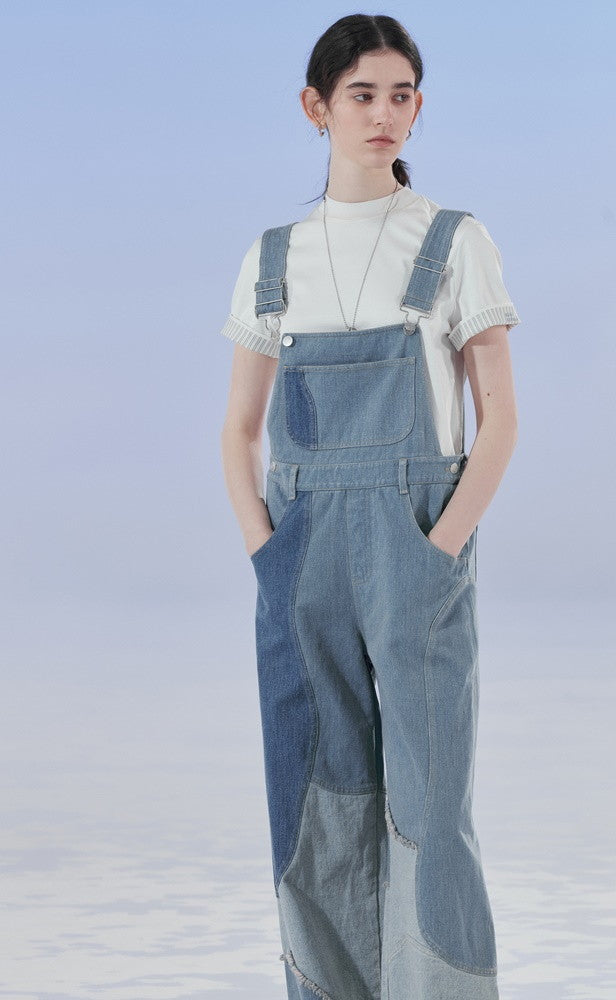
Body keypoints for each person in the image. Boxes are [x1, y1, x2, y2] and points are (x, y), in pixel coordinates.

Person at [219, 14, 521, 1000]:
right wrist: (266, 553)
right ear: (317, 107)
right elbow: (239, 430)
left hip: (415, 544)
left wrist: (440, 548)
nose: (384, 112)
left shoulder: (454, 241)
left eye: (401, 95)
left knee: (431, 806)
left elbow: (501, 421)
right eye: (362, 94)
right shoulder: (272, 258)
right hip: (301, 553)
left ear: (418, 107)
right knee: (319, 796)